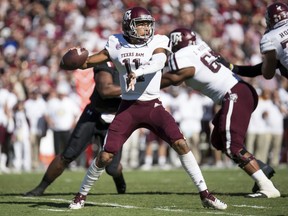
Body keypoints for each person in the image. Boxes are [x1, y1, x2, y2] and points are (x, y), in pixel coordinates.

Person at [65, 6, 227, 210]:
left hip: (152, 106)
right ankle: (80, 195)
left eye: (148, 24)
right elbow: (92, 60)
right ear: (129, 26)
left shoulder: (159, 41)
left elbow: (158, 61)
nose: (146, 28)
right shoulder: (116, 42)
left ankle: (206, 194)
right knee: (106, 155)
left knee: (181, 144)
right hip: (128, 107)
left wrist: (138, 71)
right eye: (141, 24)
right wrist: (76, 62)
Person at [161, 27, 281, 199]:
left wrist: (147, 84)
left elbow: (175, 78)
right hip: (241, 91)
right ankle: (262, 169)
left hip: (234, 93)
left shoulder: (182, 56)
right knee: (218, 140)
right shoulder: (199, 48)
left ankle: (267, 187)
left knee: (232, 145)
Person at [24, 61, 127, 197]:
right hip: (93, 115)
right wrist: (134, 87)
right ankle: (40, 188)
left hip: (115, 118)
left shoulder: (136, 65)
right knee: (67, 155)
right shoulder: (105, 63)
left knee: (112, 168)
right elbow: (105, 90)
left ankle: (120, 181)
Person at [221, 2, 288, 80]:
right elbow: (257, 70)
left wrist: (230, 66)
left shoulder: (269, 38)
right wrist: (231, 67)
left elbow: (267, 74)